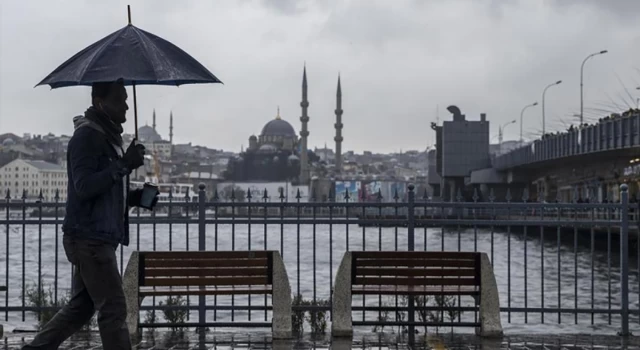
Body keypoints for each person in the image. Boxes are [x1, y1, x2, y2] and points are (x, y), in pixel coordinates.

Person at [23, 79, 156, 350]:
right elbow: (83, 187)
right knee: (115, 309)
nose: (127, 106)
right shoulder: (87, 137)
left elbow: (105, 189)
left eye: (126, 99)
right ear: (101, 103)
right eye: (120, 99)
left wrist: (135, 196)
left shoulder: (108, 138)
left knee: (82, 307)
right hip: (89, 239)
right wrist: (124, 165)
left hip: (97, 237)